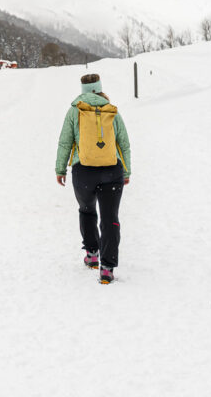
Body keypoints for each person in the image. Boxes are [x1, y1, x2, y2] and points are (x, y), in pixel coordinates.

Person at [55, 72, 131, 284]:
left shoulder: (74, 111)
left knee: (87, 210)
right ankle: (107, 268)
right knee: (110, 218)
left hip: (84, 171)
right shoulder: (111, 110)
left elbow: (65, 142)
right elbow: (123, 143)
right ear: (100, 88)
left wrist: (60, 169)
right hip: (111, 171)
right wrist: (126, 171)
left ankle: (92, 255)